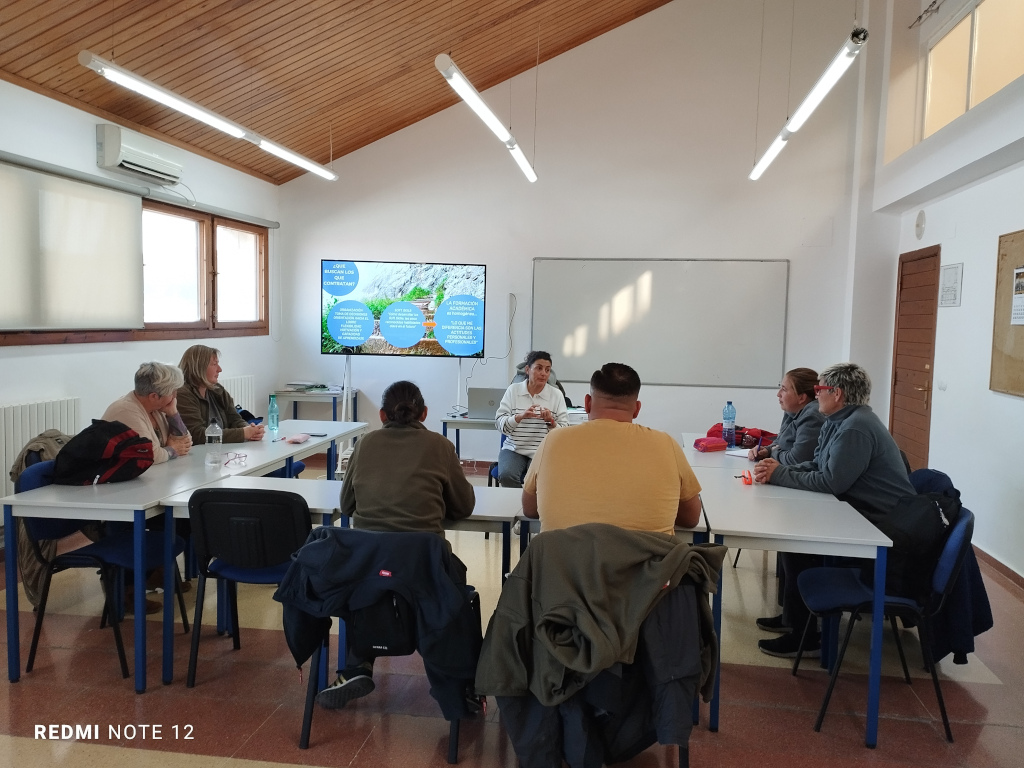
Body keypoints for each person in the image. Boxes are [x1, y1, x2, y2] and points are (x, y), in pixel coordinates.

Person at [319, 380, 475, 710]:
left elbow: (347, 505)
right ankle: (452, 682)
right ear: (425, 413)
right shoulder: (441, 445)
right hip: (425, 570)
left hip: (368, 571)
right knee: (444, 584)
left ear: (381, 414)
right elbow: (463, 507)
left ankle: (358, 665)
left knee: (381, 576)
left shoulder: (364, 444)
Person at [752, 362, 916, 658]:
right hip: (858, 512)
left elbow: (830, 482)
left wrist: (778, 474)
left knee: (798, 545)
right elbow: (817, 465)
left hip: (882, 525)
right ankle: (794, 619)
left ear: (837, 394)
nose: (816, 397)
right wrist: (778, 467)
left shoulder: (856, 427)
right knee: (794, 541)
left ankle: (805, 635)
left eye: (819, 391)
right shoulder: (838, 420)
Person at [522, 362, 702, 534]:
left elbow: (530, 509)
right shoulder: (666, 444)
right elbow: (691, 518)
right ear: (637, 409)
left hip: (563, 564)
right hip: (647, 565)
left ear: (587, 403)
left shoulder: (553, 441)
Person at [494, 350, 570, 488]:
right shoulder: (513, 390)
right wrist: (519, 417)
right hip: (514, 448)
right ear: (527, 370)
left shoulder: (556, 395)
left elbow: (564, 431)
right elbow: (500, 424)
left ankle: (532, 508)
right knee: (506, 475)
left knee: (539, 479)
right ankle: (515, 506)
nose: (544, 373)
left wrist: (551, 422)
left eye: (547, 370)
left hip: (542, 449)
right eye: (539, 368)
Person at [102, 362, 192, 464]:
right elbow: (149, 455)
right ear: (154, 396)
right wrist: (172, 450)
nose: (175, 397)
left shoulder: (157, 408)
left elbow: (186, 443)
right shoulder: (126, 410)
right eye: (172, 392)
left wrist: (173, 414)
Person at [176, 345, 265, 446]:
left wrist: (251, 429)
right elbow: (197, 435)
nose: (220, 369)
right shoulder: (182, 394)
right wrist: (243, 433)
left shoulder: (217, 389)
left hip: (220, 451)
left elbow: (235, 419)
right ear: (199, 368)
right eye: (214, 364)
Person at [749, 367, 825, 465]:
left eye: (784, 389)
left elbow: (796, 460)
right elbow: (780, 441)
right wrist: (767, 450)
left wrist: (773, 452)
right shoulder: (792, 410)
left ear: (801, 397)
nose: (778, 394)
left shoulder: (812, 417)